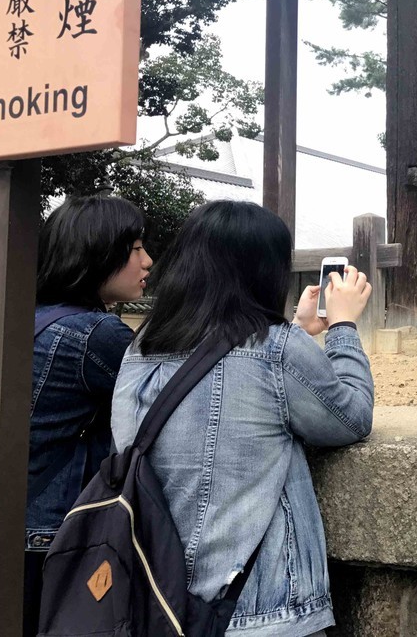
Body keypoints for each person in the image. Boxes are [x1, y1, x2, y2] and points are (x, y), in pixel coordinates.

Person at [111, 200, 374, 637]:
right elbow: (350, 418)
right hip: (259, 610)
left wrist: (298, 329)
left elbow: (230, 383)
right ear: (265, 270)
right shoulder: (275, 348)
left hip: (156, 600)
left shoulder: (140, 347)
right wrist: (343, 326)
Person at [25, 195, 152, 637]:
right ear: (98, 252)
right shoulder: (96, 334)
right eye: (135, 248)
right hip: (48, 538)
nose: (148, 261)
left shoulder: (30, 320)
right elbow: (174, 393)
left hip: (8, 522)